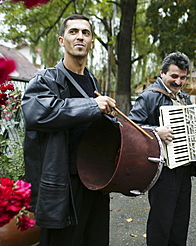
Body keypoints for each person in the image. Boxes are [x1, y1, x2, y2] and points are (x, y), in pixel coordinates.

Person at [21, 14, 116, 246]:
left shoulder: (92, 82)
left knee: (95, 240)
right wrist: (92, 106)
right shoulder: (46, 79)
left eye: (86, 33)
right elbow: (39, 113)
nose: (80, 37)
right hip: (63, 184)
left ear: (92, 43)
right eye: (73, 32)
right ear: (62, 41)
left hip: (94, 179)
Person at [129, 52, 196, 246]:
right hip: (163, 171)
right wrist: (156, 131)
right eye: (174, 76)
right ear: (162, 73)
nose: (178, 81)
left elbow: (193, 131)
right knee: (161, 222)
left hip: (184, 168)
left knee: (180, 222)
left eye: (183, 77)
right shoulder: (149, 96)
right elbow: (131, 129)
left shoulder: (184, 98)